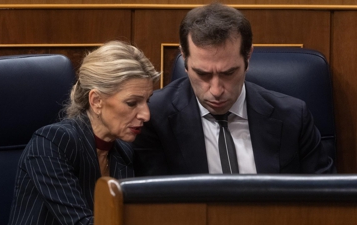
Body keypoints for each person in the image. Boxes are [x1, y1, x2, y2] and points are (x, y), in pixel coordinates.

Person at [132, 3, 335, 175]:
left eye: (228, 73)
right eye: (203, 74)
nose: (216, 90)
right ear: (184, 57)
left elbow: (325, 201)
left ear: (248, 56)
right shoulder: (153, 117)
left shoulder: (293, 117)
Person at [8, 40, 160, 225]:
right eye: (132, 103)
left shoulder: (124, 150)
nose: (146, 114)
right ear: (96, 101)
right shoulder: (52, 143)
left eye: (147, 101)